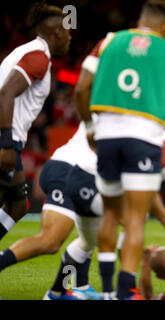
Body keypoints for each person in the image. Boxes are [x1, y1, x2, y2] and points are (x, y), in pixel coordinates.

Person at [44, 109, 165, 300]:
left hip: (91, 179)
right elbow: (146, 191)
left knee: (88, 241)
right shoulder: (163, 147)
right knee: (134, 222)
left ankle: (55, 294)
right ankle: (121, 293)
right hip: (89, 179)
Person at [75, 0, 165, 300]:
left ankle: (107, 290)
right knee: (136, 218)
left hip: (107, 137)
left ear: (140, 19)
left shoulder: (109, 40)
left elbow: (80, 89)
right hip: (144, 137)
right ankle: (126, 293)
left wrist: (90, 129)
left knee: (111, 215)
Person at [0, 120, 101, 300]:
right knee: (50, 241)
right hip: (69, 170)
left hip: (89, 175)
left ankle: (75, 286)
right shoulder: (117, 106)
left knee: (92, 234)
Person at [0, 2, 71, 241]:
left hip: (11, 140)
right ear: (57, 32)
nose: (70, 38)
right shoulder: (37, 57)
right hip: (5, 141)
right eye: (68, 32)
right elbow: (5, 94)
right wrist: (7, 145)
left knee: (19, 204)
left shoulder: (27, 52)